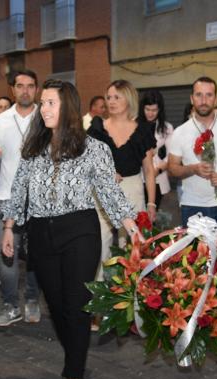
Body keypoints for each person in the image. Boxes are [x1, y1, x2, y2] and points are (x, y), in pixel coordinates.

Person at [1, 79, 141, 379]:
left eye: (50, 102)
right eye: (43, 103)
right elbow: (18, 188)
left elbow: (109, 192)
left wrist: (132, 227)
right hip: (40, 232)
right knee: (58, 305)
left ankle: (72, 376)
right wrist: (9, 227)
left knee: (77, 305)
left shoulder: (94, 148)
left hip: (79, 231)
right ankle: (76, 353)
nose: (43, 109)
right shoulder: (33, 148)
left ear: (67, 107)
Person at [0, 70, 42, 326]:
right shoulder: (0, 121)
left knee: (36, 256)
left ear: (37, 89)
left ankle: (32, 299)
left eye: (30, 86)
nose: (26, 90)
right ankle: (10, 306)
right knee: (7, 256)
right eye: (20, 86)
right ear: (13, 90)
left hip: (40, 200)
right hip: (6, 198)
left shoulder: (46, 117)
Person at [87, 80, 156, 277]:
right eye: (109, 97)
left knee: (133, 248)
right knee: (99, 246)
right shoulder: (97, 128)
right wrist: (104, 172)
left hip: (133, 188)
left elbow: (149, 170)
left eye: (117, 97)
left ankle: (131, 300)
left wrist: (151, 203)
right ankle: (98, 298)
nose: (111, 101)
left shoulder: (142, 130)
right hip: (101, 191)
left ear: (129, 99)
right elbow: (87, 164)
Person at [168, 76, 217, 227]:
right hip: (191, 204)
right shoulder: (180, 132)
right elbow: (172, 169)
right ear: (192, 98)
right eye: (199, 95)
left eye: (209, 95)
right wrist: (193, 169)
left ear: (215, 98)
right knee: (194, 251)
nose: (204, 100)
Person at [138, 89, 174, 208]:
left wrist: (156, 171)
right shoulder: (134, 125)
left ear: (160, 109)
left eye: (154, 110)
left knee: (155, 219)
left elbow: (171, 155)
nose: (150, 113)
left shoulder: (167, 128)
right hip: (138, 178)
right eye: (147, 109)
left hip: (159, 179)